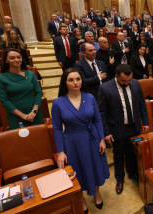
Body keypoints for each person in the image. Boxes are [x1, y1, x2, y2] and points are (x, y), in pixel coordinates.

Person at [52, 68, 109, 214]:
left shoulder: (89, 97)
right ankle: (81, 198)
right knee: (78, 170)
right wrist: (60, 151)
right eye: (71, 80)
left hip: (92, 138)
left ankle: (96, 193)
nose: (75, 82)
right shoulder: (58, 103)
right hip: (72, 141)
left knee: (94, 166)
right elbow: (57, 129)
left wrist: (102, 139)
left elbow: (97, 119)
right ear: (65, 83)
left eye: (78, 79)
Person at [98, 64, 149, 194]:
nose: (126, 83)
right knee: (119, 155)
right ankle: (119, 179)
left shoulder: (136, 83)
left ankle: (132, 174)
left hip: (134, 126)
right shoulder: (105, 88)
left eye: (128, 80)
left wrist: (145, 122)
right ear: (116, 76)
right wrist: (106, 132)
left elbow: (142, 104)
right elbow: (102, 113)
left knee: (132, 152)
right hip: (117, 129)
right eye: (123, 81)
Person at [0, 49, 43, 129]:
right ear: (6, 60)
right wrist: (22, 115)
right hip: (16, 116)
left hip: (34, 113)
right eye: (12, 58)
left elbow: (38, 93)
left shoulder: (30, 74)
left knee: (39, 138)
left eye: (19, 57)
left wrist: (34, 111)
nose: (16, 60)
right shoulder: (1, 78)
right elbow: (3, 100)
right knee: (21, 140)